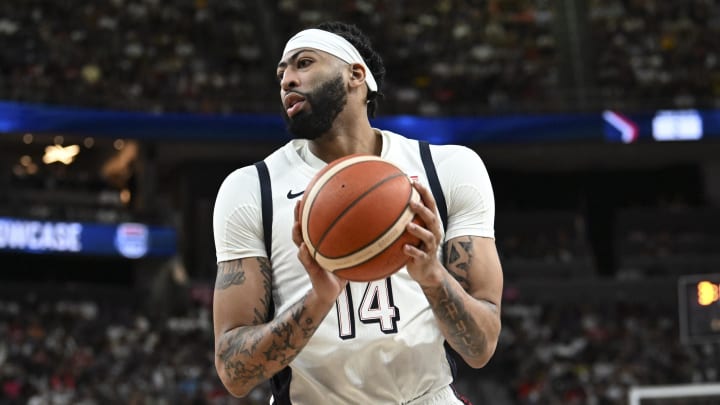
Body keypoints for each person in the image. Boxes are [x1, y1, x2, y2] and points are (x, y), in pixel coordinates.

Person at [212, 21, 503, 404]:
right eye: (281, 73)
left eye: (303, 63)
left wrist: (433, 276)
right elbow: (234, 372)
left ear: (356, 74)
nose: (287, 81)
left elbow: (480, 348)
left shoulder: (447, 168)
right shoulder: (252, 188)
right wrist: (317, 299)